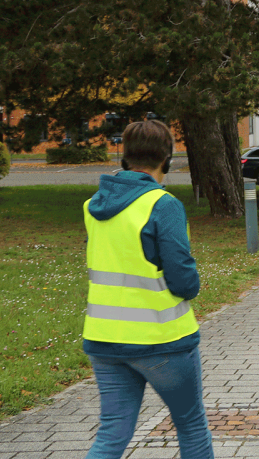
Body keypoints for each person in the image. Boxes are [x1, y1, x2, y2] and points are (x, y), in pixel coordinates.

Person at [82, 120, 214, 459]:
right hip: (161, 339)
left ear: (125, 158)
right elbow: (183, 281)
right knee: (191, 424)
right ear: (166, 160)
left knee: (112, 432)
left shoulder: (93, 206)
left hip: (104, 338)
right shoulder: (163, 204)